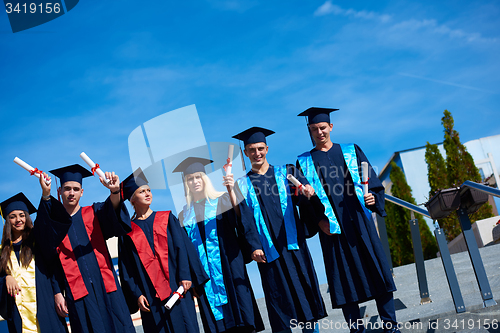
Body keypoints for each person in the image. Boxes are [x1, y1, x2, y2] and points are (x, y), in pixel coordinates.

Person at [296, 107, 399, 333]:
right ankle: (356, 329)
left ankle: (391, 326)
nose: (319, 132)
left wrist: (372, 197)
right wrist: (319, 222)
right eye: (314, 129)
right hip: (332, 229)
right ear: (309, 131)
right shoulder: (303, 162)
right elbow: (303, 201)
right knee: (344, 281)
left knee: (378, 272)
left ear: (331, 127)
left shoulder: (351, 151)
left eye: (323, 128)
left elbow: (371, 182)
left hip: (360, 223)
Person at [232, 127, 327, 333]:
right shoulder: (242, 185)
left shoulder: (288, 172)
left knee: (305, 295)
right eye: (251, 150)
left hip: (294, 247)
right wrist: (254, 247)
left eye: (260, 148)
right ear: (245, 153)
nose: (257, 153)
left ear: (267, 148)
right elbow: (245, 220)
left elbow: (303, 198)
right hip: (268, 253)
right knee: (279, 301)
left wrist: (308, 193)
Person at [38, 164, 135, 333]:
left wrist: (114, 192)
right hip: (77, 293)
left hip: (106, 285)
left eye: (76, 189)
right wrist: (57, 292)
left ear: (82, 192)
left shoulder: (94, 212)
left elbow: (112, 210)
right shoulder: (54, 225)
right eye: (67, 189)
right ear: (59, 191)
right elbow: (50, 261)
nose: (71, 193)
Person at [175, 157, 265, 333]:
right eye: (190, 179)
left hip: (229, 267)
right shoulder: (184, 215)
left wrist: (231, 190)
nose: (195, 182)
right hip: (204, 277)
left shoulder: (222, 201)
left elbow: (241, 219)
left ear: (205, 179)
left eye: (198, 177)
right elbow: (184, 250)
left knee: (241, 318)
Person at [117, 169, 209, 333]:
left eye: (148, 190)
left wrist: (186, 276)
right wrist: (137, 294)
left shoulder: (166, 218)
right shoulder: (127, 233)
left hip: (177, 286)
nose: (147, 194)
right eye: (141, 191)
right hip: (150, 295)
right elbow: (127, 268)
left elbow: (183, 247)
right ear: (132, 199)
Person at [0, 174, 71, 333]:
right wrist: (6, 278)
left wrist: (45, 195)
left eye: (22, 215)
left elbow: (44, 223)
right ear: (7, 221)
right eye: (12, 216)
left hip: (45, 307)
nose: (18, 219)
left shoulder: (37, 241)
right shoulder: (2, 252)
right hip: (19, 316)